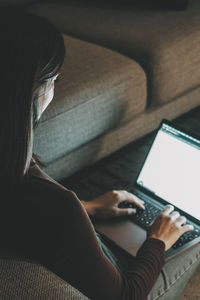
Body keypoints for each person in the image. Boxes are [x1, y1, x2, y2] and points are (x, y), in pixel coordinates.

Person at [0, 7, 199, 300]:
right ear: (32, 92)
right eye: (53, 80)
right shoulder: (58, 204)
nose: (54, 88)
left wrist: (88, 207)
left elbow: (29, 218)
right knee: (192, 240)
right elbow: (125, 295)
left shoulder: (18, 177)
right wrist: (157, 241)